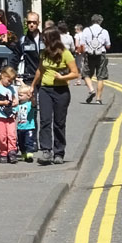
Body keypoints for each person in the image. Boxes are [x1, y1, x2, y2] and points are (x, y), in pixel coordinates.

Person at [32, 26, 80, 165]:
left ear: (52, 39)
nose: (43, 41)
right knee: (45, 120)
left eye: (45, 39)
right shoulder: (44, 53)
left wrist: (62, 77)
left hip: (61, 91)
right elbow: (40, 70)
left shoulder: (65, 54)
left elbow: (75, 73)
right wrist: (33, 85)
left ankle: (59, 152)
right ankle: (46, 151)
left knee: (59, 123)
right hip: (45, 90)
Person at [81, 14, 112, 105]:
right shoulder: (104, 31)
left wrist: (84, 53)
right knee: (100, 76)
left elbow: (82, 44)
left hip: (89, 54)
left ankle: (91, 90)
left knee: (85, 74)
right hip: (101, 55)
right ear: (100, 21)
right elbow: (108, 45)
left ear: (92, 21)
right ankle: (98, 99)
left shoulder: (86, 30)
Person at [0, 66, 19, 163]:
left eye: (11, 81)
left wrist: (15, 103)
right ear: (2, 76)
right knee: (2, 136)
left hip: (10, 116)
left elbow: (14, 99)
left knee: (11, 135)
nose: (9, 83)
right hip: (0, 116)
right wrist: (3, 103)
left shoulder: (11, 88)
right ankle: (3, 152)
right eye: (8, 80)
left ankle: (12, 152)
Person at [12, 12, 45, 84]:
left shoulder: (45, 39)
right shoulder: (23, 41)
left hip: (44, 78)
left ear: (38, 23)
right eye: (29, 22)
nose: (32, 25)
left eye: (34, 22)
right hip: (29, 78)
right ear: (26, 23)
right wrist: (12, 74)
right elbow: (15, 59)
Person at [16, 84, 37, 162]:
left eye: (21, 95)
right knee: (21, 143)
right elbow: (14, 112)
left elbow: (34, 103)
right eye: (18, 95)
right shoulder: (18, 105)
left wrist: (32, 97)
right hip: (20, 127)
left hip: (29, 127)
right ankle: (23, 154)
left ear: (28, 96)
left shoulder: (30, 104)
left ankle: (29, 154)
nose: (19, 97)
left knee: (29, 141)